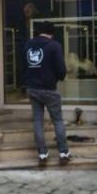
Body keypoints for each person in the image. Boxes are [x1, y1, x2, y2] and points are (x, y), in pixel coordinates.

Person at [23, 21, 71, 165]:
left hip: (32, 88)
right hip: (49, 89)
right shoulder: (54, 45)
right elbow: (61, 69)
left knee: (38, 120)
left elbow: (23, 66)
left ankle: (42, 154)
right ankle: (63, 152)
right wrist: (59, 77)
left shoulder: (27, 45)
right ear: (51, 33)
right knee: (57, 120)